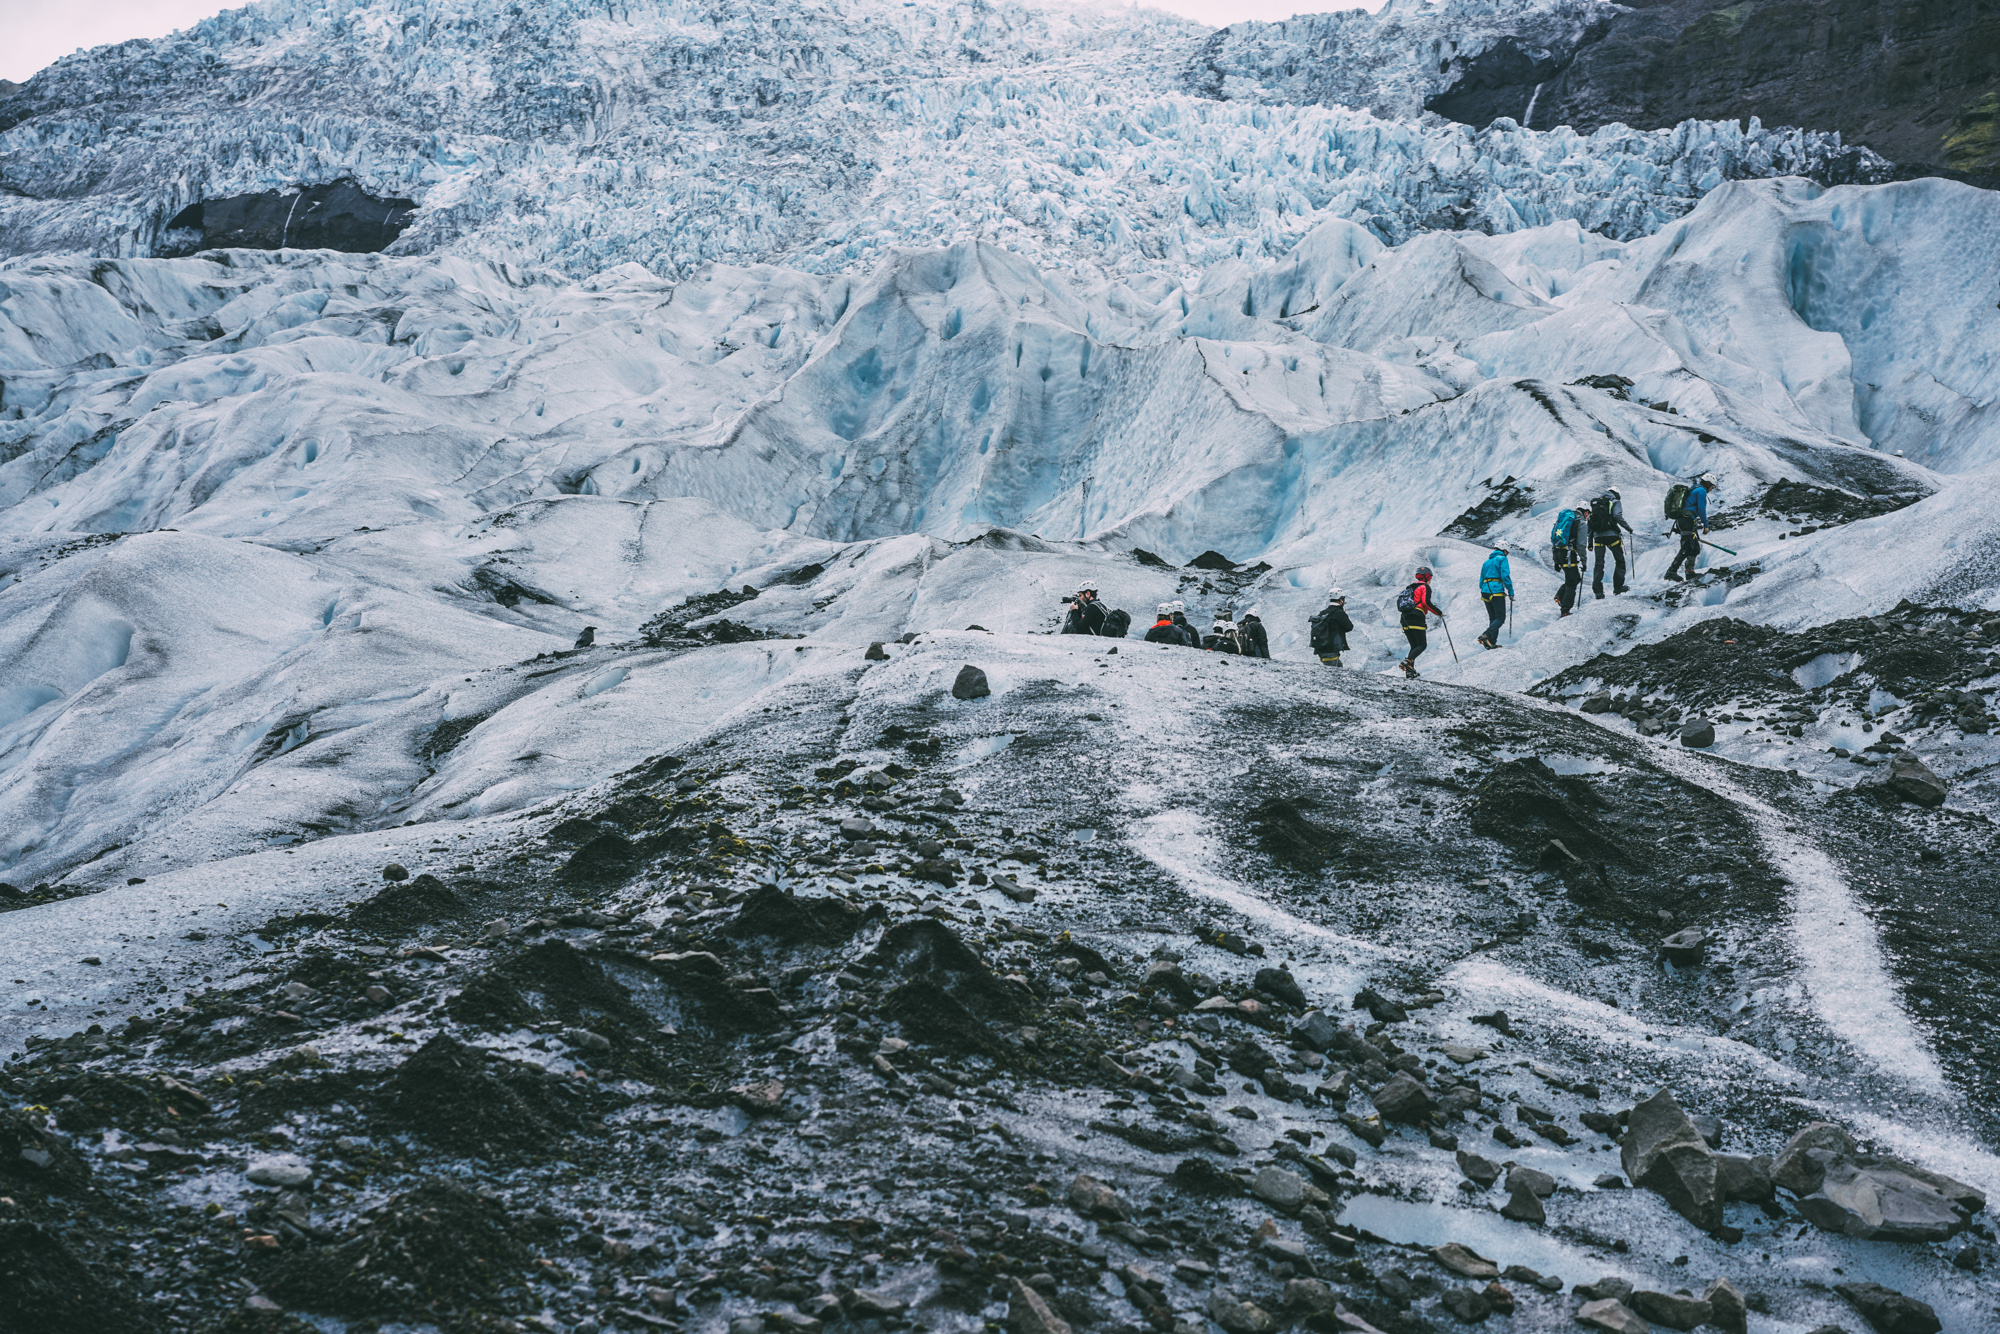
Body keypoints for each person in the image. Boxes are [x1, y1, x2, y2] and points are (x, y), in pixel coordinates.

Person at [1397, 567, 1444, 678]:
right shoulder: (1425, 587)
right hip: (1416, 615)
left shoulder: (1410, 587)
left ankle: (1410, 671)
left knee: (1414, 646)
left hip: (1404, 618)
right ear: (1427, 577)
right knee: (1422, 645)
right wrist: (1439, 612)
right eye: (1430, 577)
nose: (1431, 580)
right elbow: (1425, 602)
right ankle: (1407, 662)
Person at [1588, 488, 1634, 598]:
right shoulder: (1615, 502)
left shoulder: (1597, 503)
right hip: (1612, 536)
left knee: (1599, 563)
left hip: (1598, 537)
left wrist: (1590, 542)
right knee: (1619, 560)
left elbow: (1591, 522)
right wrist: (1628, 528)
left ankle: (1598, 592)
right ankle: (1618, 587)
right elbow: (1617, 516)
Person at [1550, 503, 1584, 616]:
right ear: (1586, 512)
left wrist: (1555, 560)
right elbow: (1581, 545)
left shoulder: (1564, 520)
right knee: (1572, 582)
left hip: (1558, 552)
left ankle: (1559, 596)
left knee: (1574, 578)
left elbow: (1554, 538)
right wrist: (1584, 561)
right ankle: (1565, 610)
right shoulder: (1579, 522)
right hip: (1568, 554)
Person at [1477, 548, 1511, 650]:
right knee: (1500, 617)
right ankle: (1486, 635)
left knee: (1493, 618)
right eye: (1507, 552)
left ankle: (1491, 643)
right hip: (1495, 590)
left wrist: (1484, 588)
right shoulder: (1502, 559)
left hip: (1485, 591)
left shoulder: (1486, 562)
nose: (1507, 554)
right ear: (1504, 550)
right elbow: (1505, 575)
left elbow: (1481, 580)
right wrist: (1510, 590)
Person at [1309, 590, 1353, 666]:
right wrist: (1343, 614)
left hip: (1322, 648)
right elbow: (1349, 627)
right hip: (1331, 649)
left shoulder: (1323, 612)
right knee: (1332, 674)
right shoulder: (1339, 613)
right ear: (1341, 600)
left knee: (1339, 667)